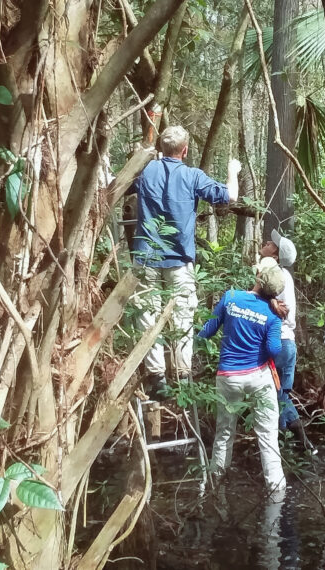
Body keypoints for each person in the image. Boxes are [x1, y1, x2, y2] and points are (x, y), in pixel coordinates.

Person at [129, 126, 240, 395]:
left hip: (146, 257)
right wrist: (232, 171)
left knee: (147, 317)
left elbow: (111, 183)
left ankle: (156, 378)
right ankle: (181, 375)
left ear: (160, 149)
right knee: (182, 317)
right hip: (178, 259)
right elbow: (230, 196)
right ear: (185, 150)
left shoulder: (145, 172)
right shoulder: (192, 176)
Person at [198, 263, 288, 494]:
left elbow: (207, 331)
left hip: (228, 377)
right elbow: (274, 349)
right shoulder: (273, 315)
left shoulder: (231, 297)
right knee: (268, 435)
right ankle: (276, 489)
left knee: (225, 432)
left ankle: (216, 484)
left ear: (258, 277)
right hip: (258, 377)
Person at [259, 230, 315, 453]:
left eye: (271, 244)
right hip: (288, 344)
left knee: (274, 395)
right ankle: (301, 445)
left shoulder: (271, 274)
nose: (267, 242)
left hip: (277, 342)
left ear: (274, 256)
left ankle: (284, 447)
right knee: (280, 394)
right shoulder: (285, 276)